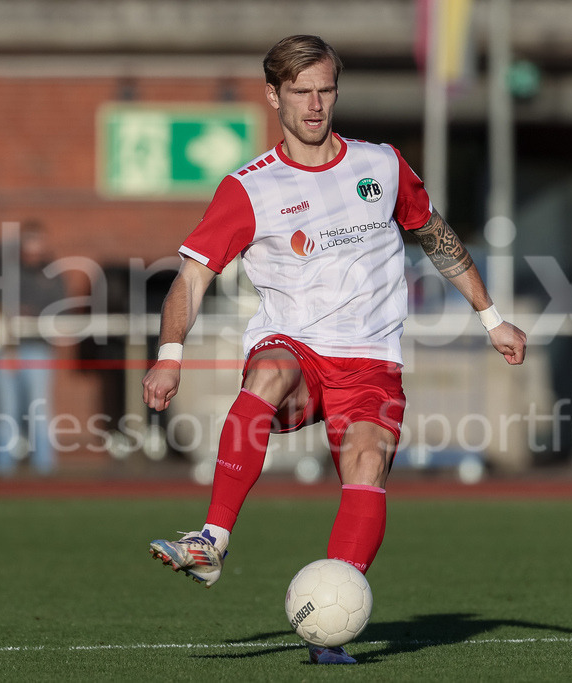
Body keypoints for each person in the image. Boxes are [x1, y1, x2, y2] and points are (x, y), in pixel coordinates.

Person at [143, 35, 527, 665]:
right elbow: (192, 277)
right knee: (270, 370)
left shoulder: (381, 164)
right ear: (274, 96)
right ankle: (212, 539)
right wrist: (170, 354)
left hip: (373, 361)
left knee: (368, 466)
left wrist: (492, 318)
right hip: (296, 347)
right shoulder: (248, 189)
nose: (316, 104)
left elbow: (434, 234)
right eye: (301, 92)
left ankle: (330, 628)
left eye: (325, 89)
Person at [0, 220, 67, 476]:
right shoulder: (5, 271)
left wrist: (37, 317)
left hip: (39, 350)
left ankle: (44, 466)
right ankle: (2, 467)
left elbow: (61, 311)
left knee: (39, 409)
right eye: (28, 240)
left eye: (37, 240)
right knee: (6, 409)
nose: (33, 247)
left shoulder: (53, 275)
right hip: (4, 349)